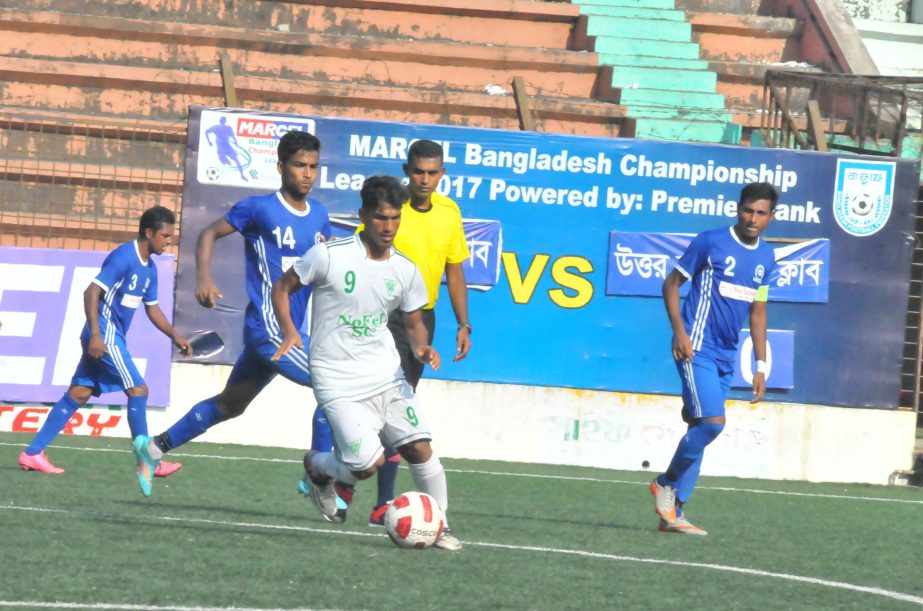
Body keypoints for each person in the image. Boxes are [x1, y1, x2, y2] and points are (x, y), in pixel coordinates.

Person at [272, 175, 462, 551]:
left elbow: (413, 324)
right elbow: (283, 287)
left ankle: (439, 525)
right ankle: (318, 467)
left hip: (385, 374)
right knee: (366, 465)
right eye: (380, 218)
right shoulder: (329, 255)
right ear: (363, 216)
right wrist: (290, 330)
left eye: (394, 218)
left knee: (420, 448)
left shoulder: (406, 270)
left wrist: (422, 348)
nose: (388, 227)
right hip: (336, 378)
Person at [312, 139, 472, 526]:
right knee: (372, 418)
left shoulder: (450, 212)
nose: (425, 179)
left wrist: (464, 323)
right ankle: (344, 475)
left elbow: (454, 269)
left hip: (420, 316)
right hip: (383, 317)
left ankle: (384, 498)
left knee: (403, 420)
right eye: (419, 171)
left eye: (433, 172)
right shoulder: (393, 208)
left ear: (442, 174)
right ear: (407, 170)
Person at [149, 130, 331, 465]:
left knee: (230, 405)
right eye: (299, 165)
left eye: (313, 167)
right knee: (335, 387)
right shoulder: (258, 209)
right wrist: (204, 276)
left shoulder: (320, 215)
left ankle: (155, 447)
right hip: (269, 330)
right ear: (281, 167)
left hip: (284, 332)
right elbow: (209, 233)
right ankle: (320, 471)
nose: (307, 174)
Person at [18, 206, 192, 497]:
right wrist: (97, 334)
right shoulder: (124, 257)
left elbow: (152, 309)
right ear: (149, 233)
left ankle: (33, 453)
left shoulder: (150, 269)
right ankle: (147, 459)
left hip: (109, 336)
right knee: (139, 389)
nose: (169, 241)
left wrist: (175, 335)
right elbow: (91, 291)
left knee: (79, 394)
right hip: (105, 333)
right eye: (165, 236)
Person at [649, 182, 778, 536]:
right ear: (739, 209)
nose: (753, 218)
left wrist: (761, 366)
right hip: (696, 348)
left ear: (771, 216)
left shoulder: (766, 259)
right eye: (748, 210)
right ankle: (665, 483)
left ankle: (673, 514)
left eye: (761, 212)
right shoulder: (711, 241)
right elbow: (671, 284)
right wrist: (679, 331)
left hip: (725, 356)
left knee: (700, 429)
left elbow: (758, 313)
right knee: (712, 424)